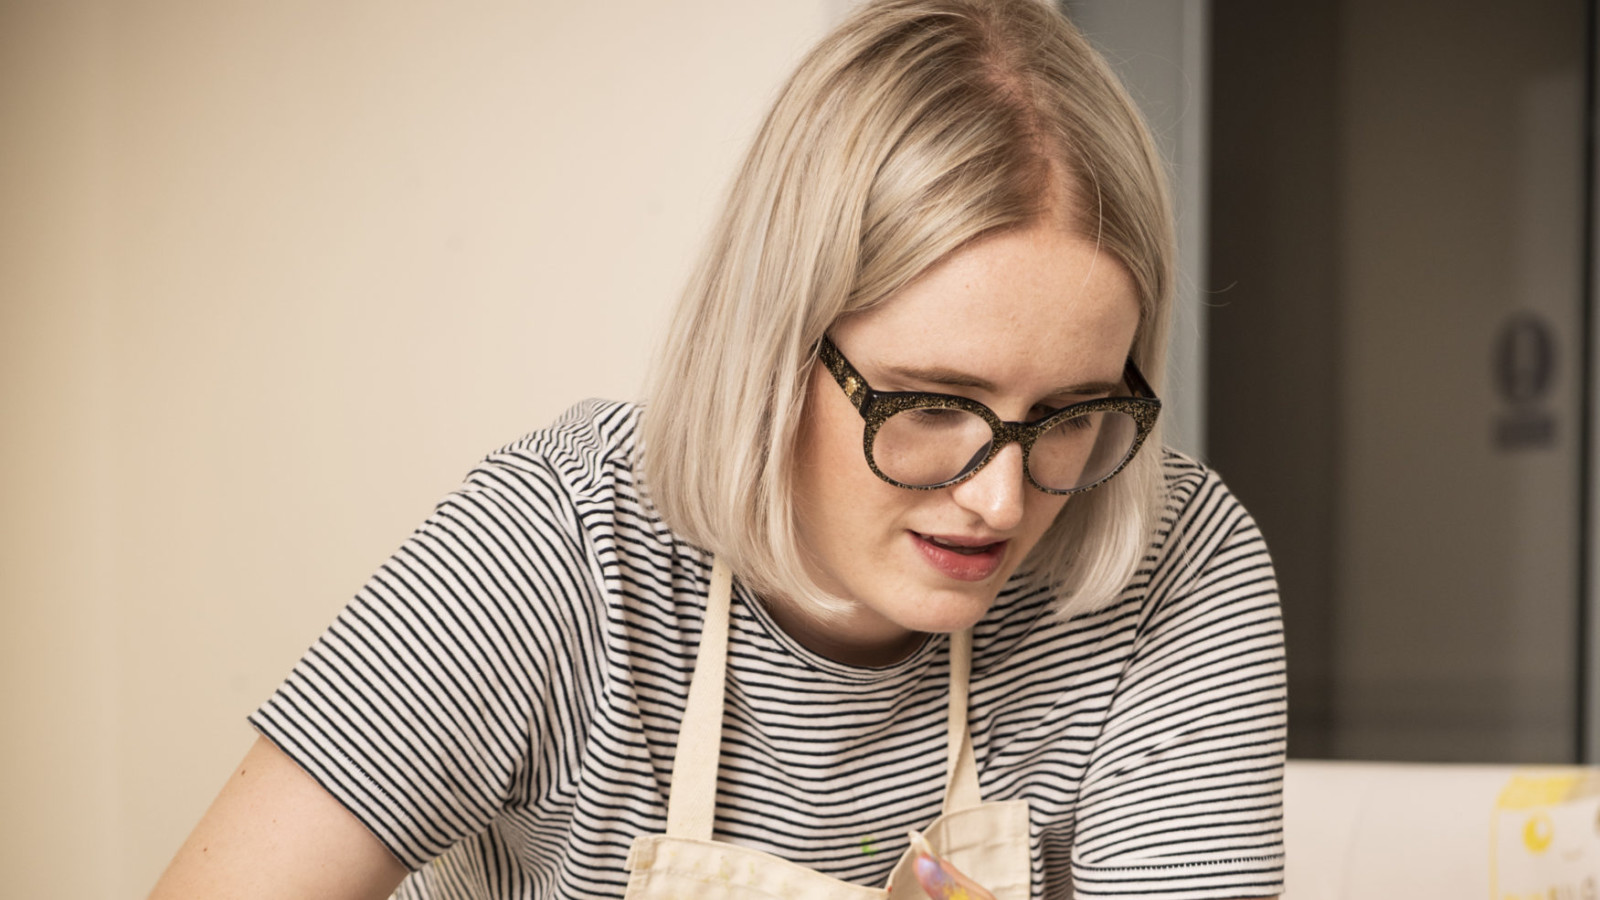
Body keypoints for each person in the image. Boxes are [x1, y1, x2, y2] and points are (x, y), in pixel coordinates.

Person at [149, 0, 1286, 898]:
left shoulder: (1174, 571)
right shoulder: (560, 546)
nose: (997, 500)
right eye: (932, 403)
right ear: (773, 348)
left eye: (1071, 413)